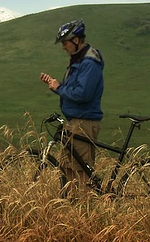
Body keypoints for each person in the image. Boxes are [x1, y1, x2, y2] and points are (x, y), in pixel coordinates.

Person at [40, 19, 104, 193]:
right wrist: (56, 87)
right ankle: (72, 211)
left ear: (76, 40)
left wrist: (59, 88)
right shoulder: (79, 60)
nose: (63, 47)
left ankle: (87, 213)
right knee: (68, 168)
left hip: (84, 122)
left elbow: (83, 95)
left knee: (81, 173)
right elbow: (75, 90)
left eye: (65, 43)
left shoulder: (89, 63)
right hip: (75, 121)